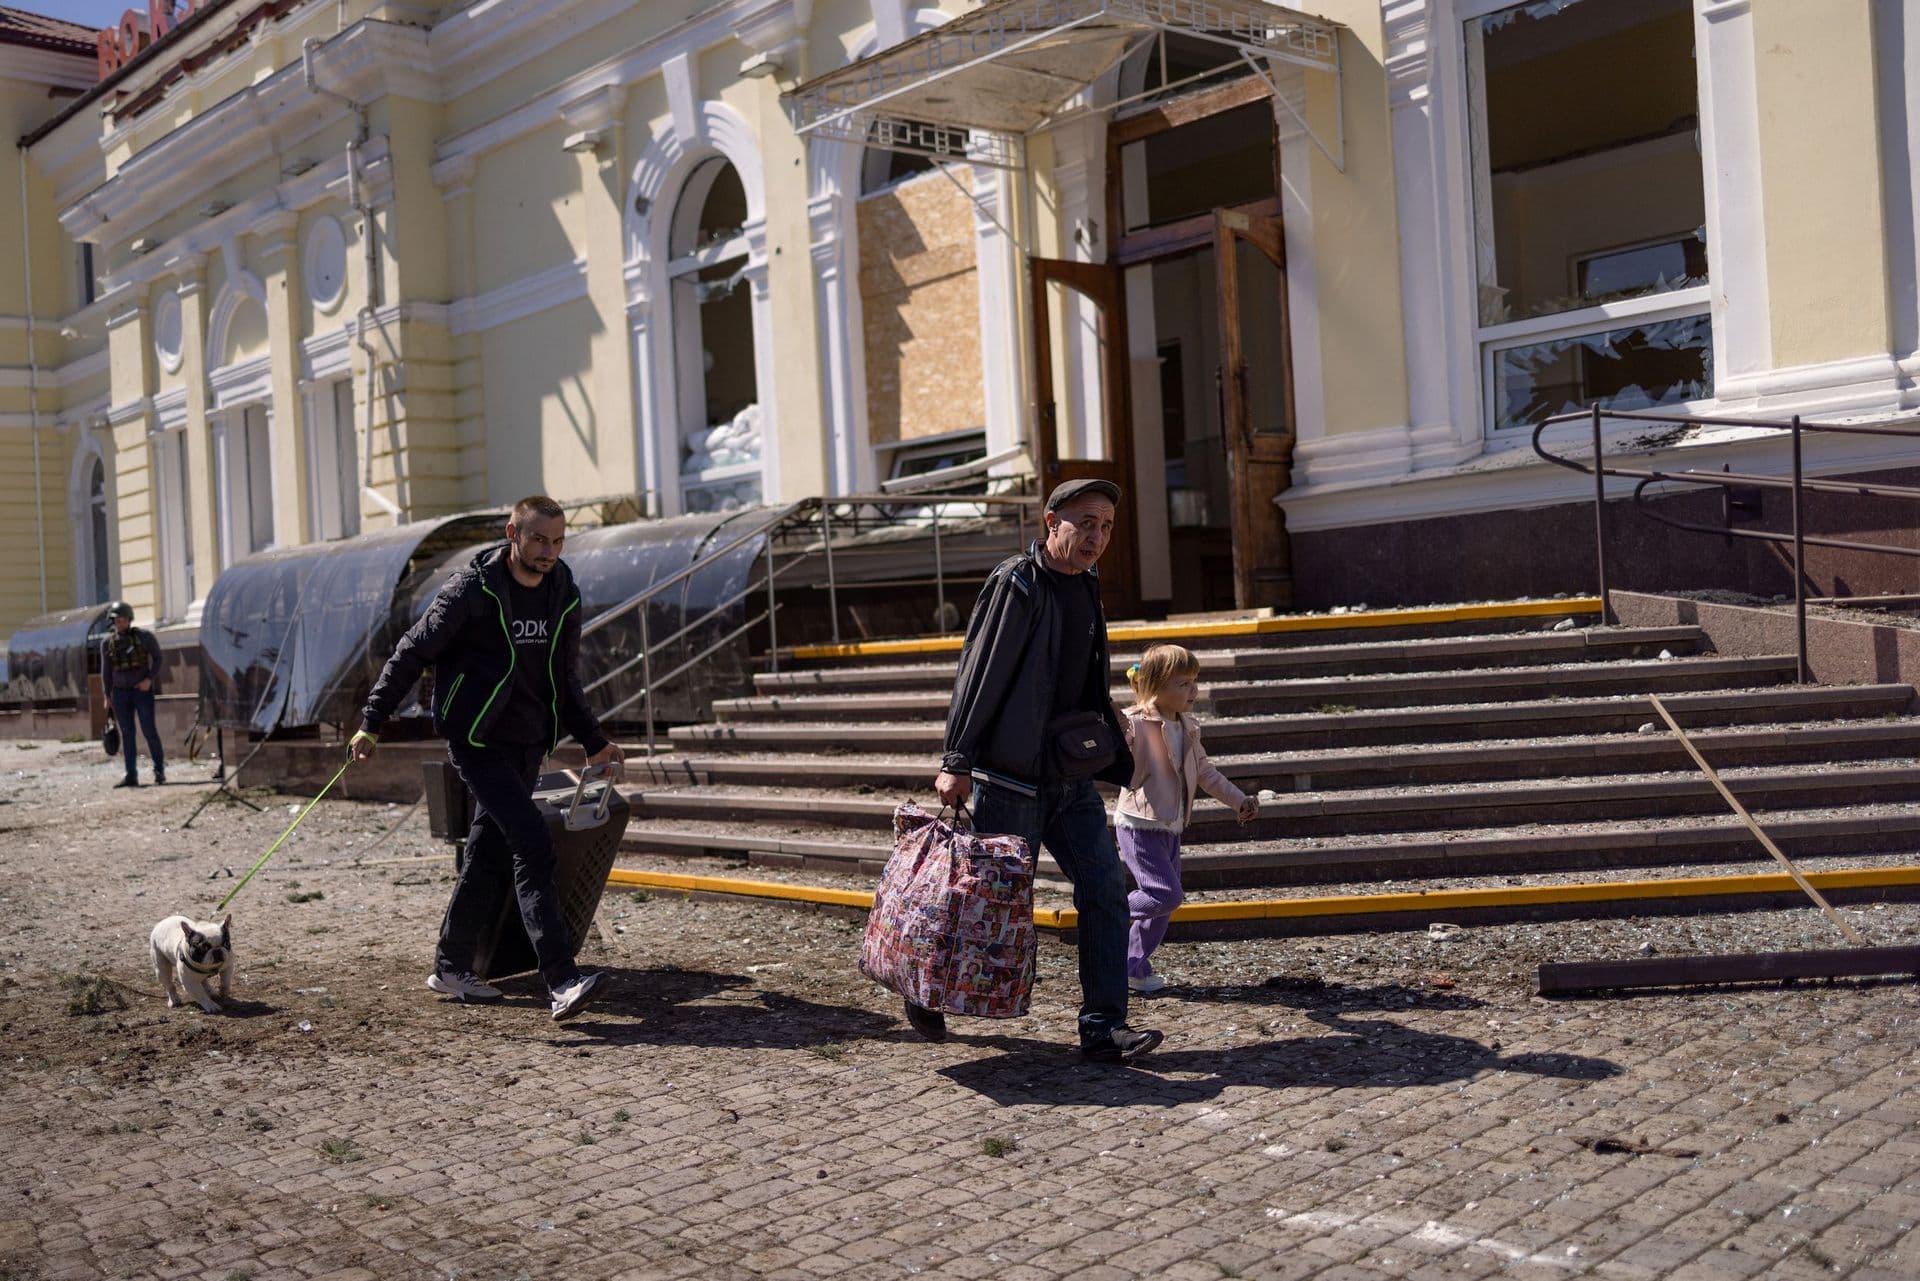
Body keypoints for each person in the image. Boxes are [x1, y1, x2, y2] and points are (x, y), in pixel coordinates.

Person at [350, 496, 625, 1022]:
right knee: (532, 844)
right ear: (512, 534)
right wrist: (372, 722)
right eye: (539, 539)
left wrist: (593, 740)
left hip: (528, 741)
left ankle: (450, 965)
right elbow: (411, 653)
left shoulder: (562, 593)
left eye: (558, 540)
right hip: (476, 742)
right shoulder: (470, 593)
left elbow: (564, 680)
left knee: (487, 853)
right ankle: (562, 980)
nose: (549, 551)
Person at [932, 477, 1162, 1064]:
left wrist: (1117, 753)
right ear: (1050, 521)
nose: (1097, 536)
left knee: (1106, 889)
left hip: (1069, 780)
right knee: (988, 904)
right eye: (1086, 522)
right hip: (1009, 782)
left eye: (1107, 526)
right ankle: (928, 991)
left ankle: (1105, 1028)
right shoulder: (1018, 583)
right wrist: (957, 760)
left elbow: (1087, 683)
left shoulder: (1087, 587)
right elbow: (979, 671)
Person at [1114, 644, 1258, 993]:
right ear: (1156, 686)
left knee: (1161, 910)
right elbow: (1117, 738)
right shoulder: (1137, 722)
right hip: (1139, 825)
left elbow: (1205, 772)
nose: (1193, 690)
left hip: (1172, 826)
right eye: (1183, 684)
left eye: (1195, 681)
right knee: (1165, 895)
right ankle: (1105, 909)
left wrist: (1238, 799)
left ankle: (1132, 967)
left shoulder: (1189, 727)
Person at [99, 601, 165, 788]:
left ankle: (159, 771)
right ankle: (131, 775)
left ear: (129, 619)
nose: (119, 623)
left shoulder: (144, 637)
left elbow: (158, 658)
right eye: (116, 620)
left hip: (141, 691)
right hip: (120, 694)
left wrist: (149, 679)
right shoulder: (107, 643)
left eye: (122, 619)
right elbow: (106, 671)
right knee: (127, 734)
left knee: (149, 731)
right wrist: (107, 695)